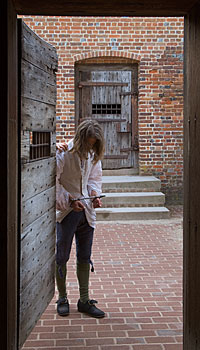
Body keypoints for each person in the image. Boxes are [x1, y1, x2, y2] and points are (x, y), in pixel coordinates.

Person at [56, 119, 105, 318]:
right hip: (67, 213)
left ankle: (84, 300)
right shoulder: (62, 153)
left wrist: (94, 195)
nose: (90, 148)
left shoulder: (93, 154)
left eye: (94, 144)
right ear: (80, 138)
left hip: (86, 213)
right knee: (62, 255)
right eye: (88, 143)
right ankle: (62, 298)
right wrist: (68, 200)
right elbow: (54, 182)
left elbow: (94, 178)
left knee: (84, 256)